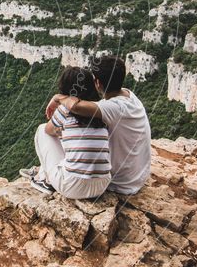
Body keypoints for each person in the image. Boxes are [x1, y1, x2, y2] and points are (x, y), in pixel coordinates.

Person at [47, 55, 151, 195]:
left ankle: (50, 177)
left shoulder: (110, 108)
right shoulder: (130, 96)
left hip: (120, 184)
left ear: (97, 82)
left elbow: (75, 107)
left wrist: (58, 97)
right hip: (138, 177)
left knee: (53, 134)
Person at [20, 66, 112, 200]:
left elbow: (49, 131)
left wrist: (59, 103)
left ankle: (46, 180)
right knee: (69, 140)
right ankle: (44, 173)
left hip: (73, 187)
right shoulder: (102, 110)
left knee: (42, 129)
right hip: (101, 185)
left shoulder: (65, 110)